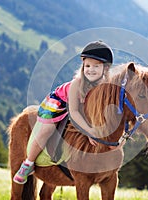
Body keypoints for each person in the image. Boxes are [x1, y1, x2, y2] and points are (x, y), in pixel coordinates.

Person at [13, 41, 114, 184]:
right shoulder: (77, 84)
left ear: (106, 68)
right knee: (46, 130)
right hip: (59, 105)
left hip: (82, 108)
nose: (90, 70)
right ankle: (28, 164)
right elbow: (73, 112)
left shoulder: (105, 86)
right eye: (87, 66)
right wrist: (89, 131)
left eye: (96, 66)